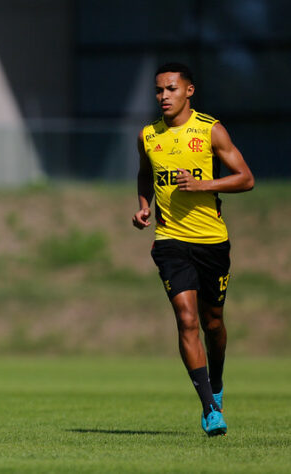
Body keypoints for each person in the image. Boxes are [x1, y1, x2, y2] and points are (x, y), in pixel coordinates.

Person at [132, 63, 254, 436]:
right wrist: (143, 204)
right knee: (186, 320)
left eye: (170, 89)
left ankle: (216, 384)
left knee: (212, 322)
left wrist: (203, 185)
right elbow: (144, 172)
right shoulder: (148, 135)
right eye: (158, 91)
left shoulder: (210, 129)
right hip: (170, 241)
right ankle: (209, 409)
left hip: (212, 241)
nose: (163, 97)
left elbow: (246, 179)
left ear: (189, 91)